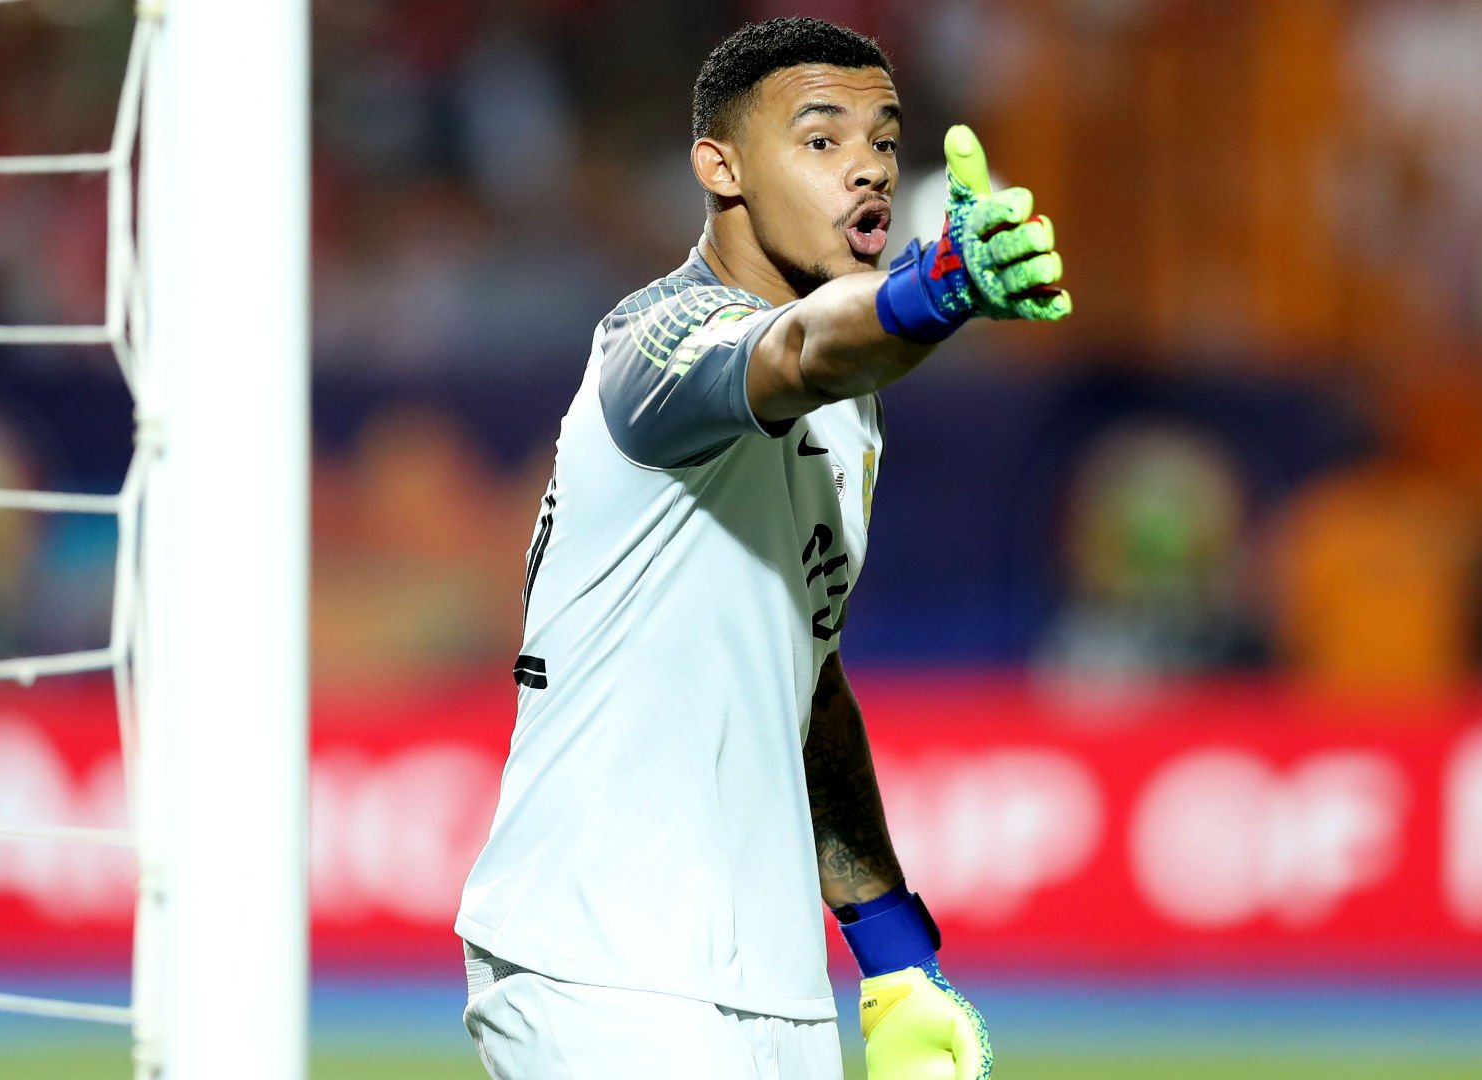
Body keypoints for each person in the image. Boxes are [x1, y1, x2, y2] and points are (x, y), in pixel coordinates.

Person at [454, 17, 1069, 1080]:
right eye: (822, 140)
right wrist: (936, 292)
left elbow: (804, 684)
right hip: (602, 964)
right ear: (720, 167)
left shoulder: (857, 407)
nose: (869, 168)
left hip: (770, 984)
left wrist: (895, 959)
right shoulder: (653, 343)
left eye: (885, 140)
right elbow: (796, 349)